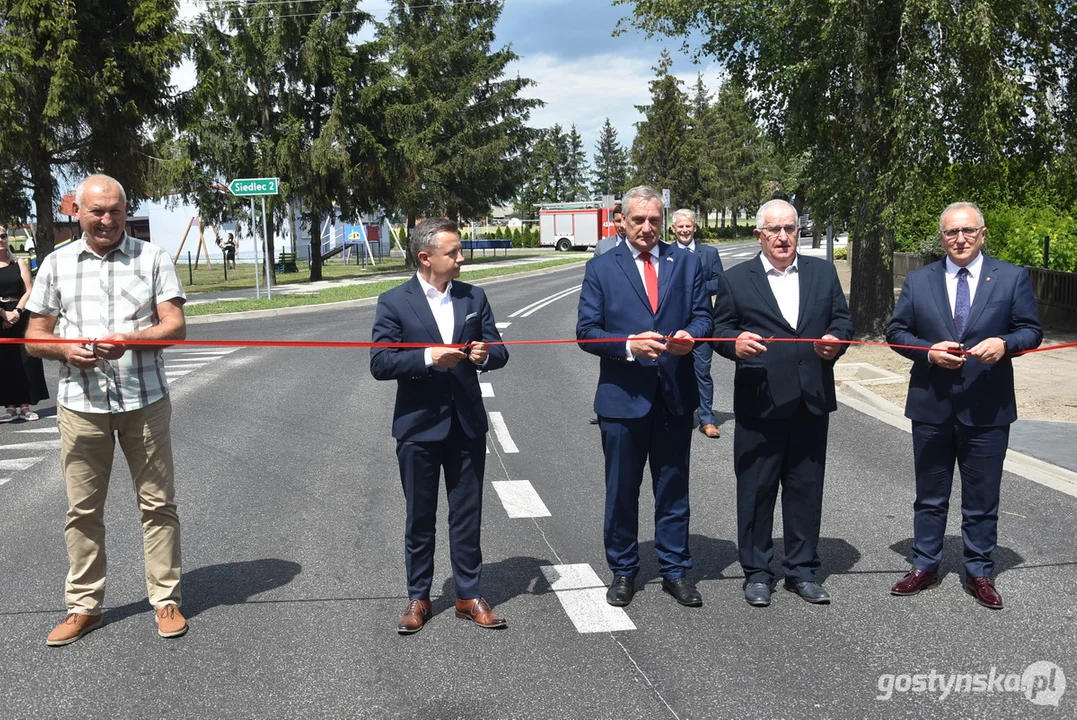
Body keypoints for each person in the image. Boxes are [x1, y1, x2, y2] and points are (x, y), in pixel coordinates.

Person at [25, 174, 189, 646]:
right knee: (82, 509)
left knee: (158, 504)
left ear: (125, 210)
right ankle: (84, 607)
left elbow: (175, 326)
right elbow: (36, 337)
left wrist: (130, 339)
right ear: (76, 211)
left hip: (145, 400)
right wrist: (65, 349)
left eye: (115, 210)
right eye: (97, 211)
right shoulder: (56, 264)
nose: (107, 219)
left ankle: (166, 599)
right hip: (81, 404)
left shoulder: (152, 257)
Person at [886, 202, 1042, 610]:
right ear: (942, 237)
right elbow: (897, 331)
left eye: (968, 231)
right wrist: (926, 351)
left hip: (987, 408)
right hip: (931, 405)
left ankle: (979, 571)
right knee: (930, 495)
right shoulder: (920, 280)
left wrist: (1006, 344)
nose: (960, 239)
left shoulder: (1010, 277)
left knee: (982, 497)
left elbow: (1032, 330)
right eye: (952, 233)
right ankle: (925, 565)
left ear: (983, 234)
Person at [370, 218, 510, 634]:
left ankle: (468, 595)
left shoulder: (474, 297)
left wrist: (485, 355)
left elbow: (499, 351)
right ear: (425, 257)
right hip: (418, 427)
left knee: (467, 514)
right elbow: (380, 362)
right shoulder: (394, 301)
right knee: (420, 516)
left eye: (460, 250)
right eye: (454, 253)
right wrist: (429, 357)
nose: (462, 258)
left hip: (466, 424)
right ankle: (419, 596)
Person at [711, 199, 853, 607]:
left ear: (798, 232)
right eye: (773, 229)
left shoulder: (823, 273)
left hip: (811, 399)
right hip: (761, 402)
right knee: (756, 490)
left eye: (789, 228)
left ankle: (802, 570)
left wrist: (836, 342)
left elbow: (841, 321)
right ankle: (757, 572)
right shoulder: (737, 279)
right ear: (759, 235)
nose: (782, 236)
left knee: (805, 488)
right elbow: (720, 330)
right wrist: (733, 344)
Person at [577, 185, 712, 608]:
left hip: (674, 395)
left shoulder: (685, 262)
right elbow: (587, 332)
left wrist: (694, 334)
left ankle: (675, 569)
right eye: (638, 220)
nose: (648, 228)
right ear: (622, 221)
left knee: (673, 488)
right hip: (623, 398)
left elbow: (702, 313)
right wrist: (630, 346)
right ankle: (623, 570)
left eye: (655, 220)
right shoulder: (602, 268)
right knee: (622, 490)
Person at [670, 209, 725, 438]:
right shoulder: (665, 253)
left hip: (702, 321)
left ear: (695, 227)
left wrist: (696, 289)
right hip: (673, 323)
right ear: (673, 229)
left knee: (702, 371)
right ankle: (677, 414)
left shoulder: (709, 253)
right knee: (673, 371)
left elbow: (721, 281)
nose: (684, 230)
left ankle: (706, 419)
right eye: (680, 227)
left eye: (688, 226)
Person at [0, 227, 49, 422]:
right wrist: (4, 314)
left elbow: (29, 290)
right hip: (1, 315)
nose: (1, 239)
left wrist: (16, 313)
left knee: (26, 360)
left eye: (3, 236)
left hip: (20, 313)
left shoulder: (19, 262)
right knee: (6, 362)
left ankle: (26, 406)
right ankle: (10, 407)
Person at [589, 204, 628, 425]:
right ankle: (607, 409)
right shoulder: (603, 247)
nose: (621, 226)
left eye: (624, 220)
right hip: (609, 317)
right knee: (610, 364)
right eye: (617, 221)